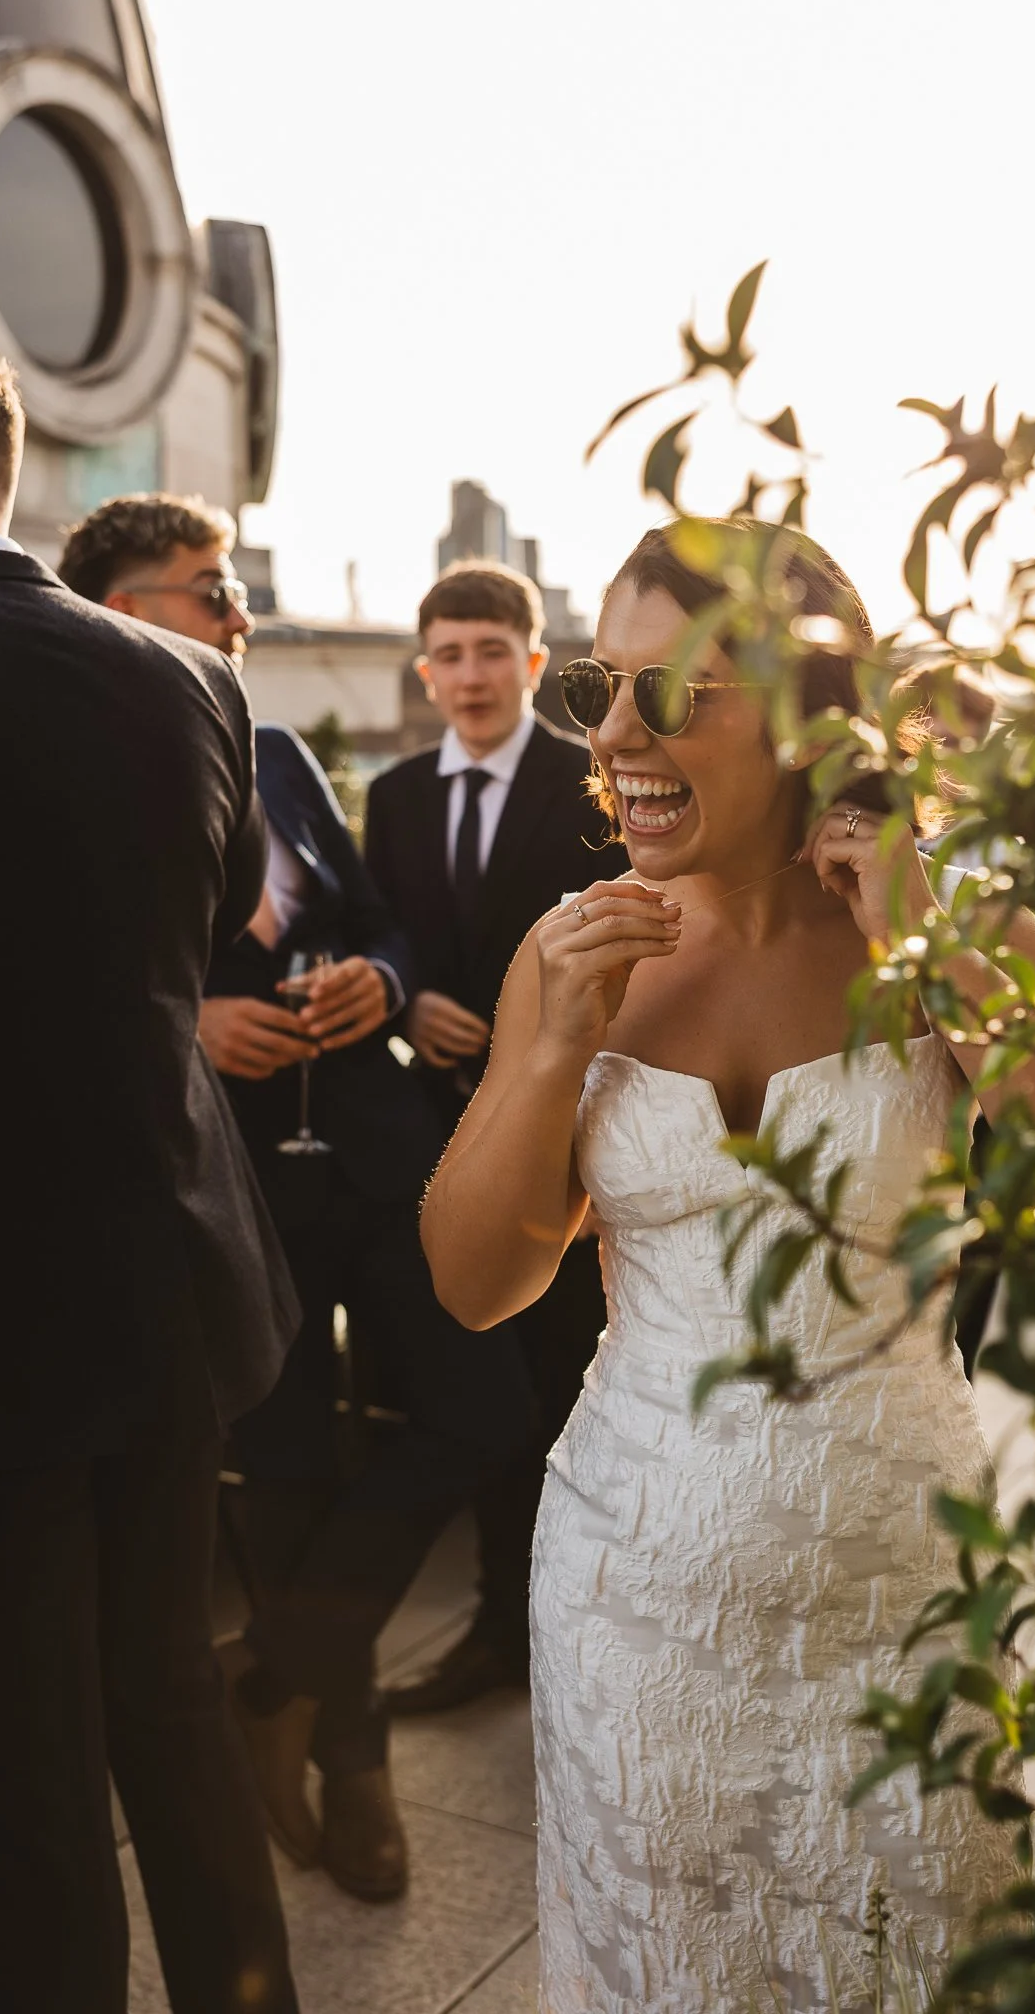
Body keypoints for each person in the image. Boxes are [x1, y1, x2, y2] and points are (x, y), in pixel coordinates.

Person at [420, 522, 1035, 2005]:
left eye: (673, 693)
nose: (620, 740)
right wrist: (549, 1058)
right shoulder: (568, 953)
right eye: (602, 689)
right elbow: (474, 1285)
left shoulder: (947, 921)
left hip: (906, 1591)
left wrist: (950, 966)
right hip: (631, 1599)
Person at [56, 495, 533, 1907]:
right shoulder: (67, 762)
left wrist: (380, 981)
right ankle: (354, 1766)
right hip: (228, 1181)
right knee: (287, 1476)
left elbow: (373, 919)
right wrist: (190, 1022)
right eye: (209, 593)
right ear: (123, 612)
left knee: (483, 1409)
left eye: (237, 590)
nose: (238, 612)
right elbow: (54, 980)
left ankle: (274, 1680)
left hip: (379, 1154)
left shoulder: (268, 744)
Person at [0, 341, 300, 2011]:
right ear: (3, 469)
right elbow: (206, 925)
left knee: (25, 1768)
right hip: (164, 1271)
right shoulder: (189, 683)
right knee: (169, 1698)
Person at [363, 562, 622, 1714]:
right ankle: (499, 1630)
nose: (465, 675)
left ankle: (552, 1627)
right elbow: (386, 935)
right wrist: (406, 998)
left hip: (567, 1136)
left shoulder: (596, 782)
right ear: (424, 674)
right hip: (436, 1129)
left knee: (564, 1388)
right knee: (477, 1392)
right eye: (445, 656)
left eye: (487, 652)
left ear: (529, 663)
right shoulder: (398, 793)